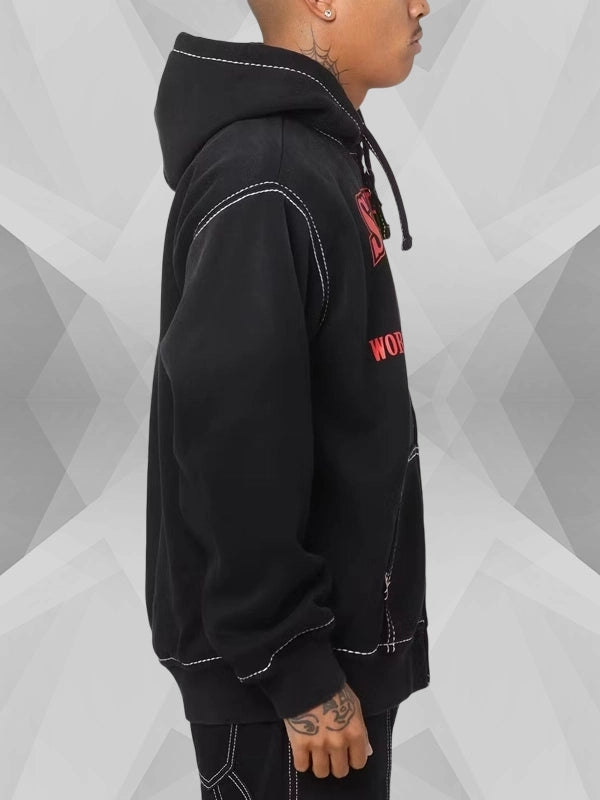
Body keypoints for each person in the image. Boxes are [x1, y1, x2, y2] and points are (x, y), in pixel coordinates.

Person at [146, 0, 431, 796]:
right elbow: (231, 437)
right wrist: (293, 663)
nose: (422, 5)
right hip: (291, 700)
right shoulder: (265, 174)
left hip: (318, 676)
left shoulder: (311, 159)